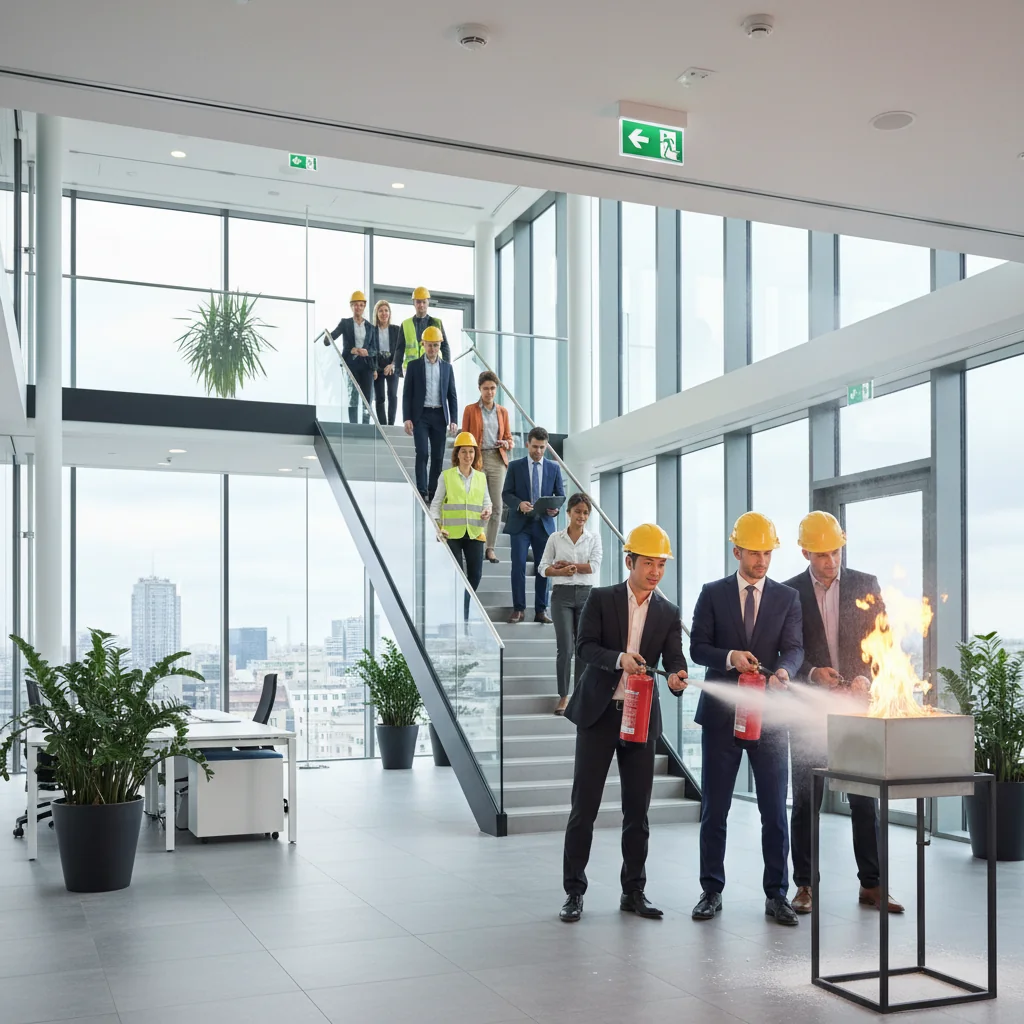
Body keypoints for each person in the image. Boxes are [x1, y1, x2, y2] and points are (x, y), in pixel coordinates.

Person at [559, 524, 688, 924]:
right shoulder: (600, 599)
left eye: (661, 564)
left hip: (641, 718)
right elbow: (584, 648)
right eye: (648, 562)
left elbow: (674, 659)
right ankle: (574, 892)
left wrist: (677, 677)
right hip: (599, 716)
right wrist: (619, 659)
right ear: (629, 561)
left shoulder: (667, 612)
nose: (655, 571)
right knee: (585, 808)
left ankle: (633, 891)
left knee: (638, 811)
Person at [783, 511, 904, 916]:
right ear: (805, 552)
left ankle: (871, 885)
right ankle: (804, 885)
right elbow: (783, 652)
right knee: (805, 801)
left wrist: (867, 680)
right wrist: (813, 673)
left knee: (864, 801)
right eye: (820, 555)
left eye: (834, 552)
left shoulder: (865, 585)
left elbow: (882, 644)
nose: (829, 561)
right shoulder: (788, 593)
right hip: (809, 711)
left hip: (856, 709)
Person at [689, 511, 804, 927]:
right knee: (714, 808)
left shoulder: (787, 598)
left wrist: (787, 671)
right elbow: (698, 648)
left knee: (774, 809)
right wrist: (729, 658)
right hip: (722, 718)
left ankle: (776, 894)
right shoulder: (712, 593)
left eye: (767, 552)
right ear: (736, 550)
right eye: (754, 552)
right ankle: (711, 890)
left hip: (769, 717)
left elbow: (794, 648)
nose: (761, 560)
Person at [539, 493, 603, 715]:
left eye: (585, 512)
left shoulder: (593, 538)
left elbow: (593, 566)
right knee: (565, 648)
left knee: (582, 648)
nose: (582, 516)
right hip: (561, 596)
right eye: (578, 511)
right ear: (568, 513)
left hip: (586, 595)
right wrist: (561, 570)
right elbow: (543, 568)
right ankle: (563, 697)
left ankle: (579, 695)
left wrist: (571, 565)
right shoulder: (555, 538)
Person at [502, 426, 564, 624]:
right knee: (518, 565)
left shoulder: (554, 468)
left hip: (543, 525)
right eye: (535, 446)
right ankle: (518, 609)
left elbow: (559, 496)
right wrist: (519, 504)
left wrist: (555, 510)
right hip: (520, 524)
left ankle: (541, 610)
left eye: (542, 448)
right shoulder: (514, 466)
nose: (538, 451)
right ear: (528, 444)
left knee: (543, 567)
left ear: (546, 447)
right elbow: (506, 494)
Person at [431, 432, 492, 621]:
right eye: (464, 452)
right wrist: (438, 528)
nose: (468, 456)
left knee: (475, 576)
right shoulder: (446, 476)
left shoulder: (481, 477)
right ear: (457, 454)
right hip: (452, 534)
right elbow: (435, 505)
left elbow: (487, 502)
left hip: (474, 532)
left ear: (475, 454)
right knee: (458, 577)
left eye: (471, 452)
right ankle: (461, 616)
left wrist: (487, 511)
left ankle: (462, 606)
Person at [461, 371, 513, 563]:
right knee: (478, 504)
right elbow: (464, 438)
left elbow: (509, 438)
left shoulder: (503, 412)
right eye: (486, 388)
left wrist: (507, 443)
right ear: (479, 389)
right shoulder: (470, 410)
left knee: (496, 506)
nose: (489, 392)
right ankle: (477, 543)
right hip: (478, 458)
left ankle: (490, 548)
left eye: (492, 388)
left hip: (497, 459)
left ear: (496, 389)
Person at [402, 326, 458, 502]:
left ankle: (433, 491)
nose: (432, 349)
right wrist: (407, 418)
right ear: (423, 345)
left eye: (435, 345)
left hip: (440, 416)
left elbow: (452, 395)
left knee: (438, 456)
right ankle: (421, 489)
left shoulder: (447, 368)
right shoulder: (413, 366)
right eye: (429, 345)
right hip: (421, 416)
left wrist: (454, 420)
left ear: (440, 345)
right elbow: (407, 394)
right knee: (423, 453)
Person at [330, 290, 378, 424]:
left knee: (367, 398)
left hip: (366, 365)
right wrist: (350, 350)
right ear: (351, 306)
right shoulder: (345, 323)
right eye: (355, 305)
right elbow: (332, 337)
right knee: (353, 397)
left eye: (361, 305)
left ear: (364, 307)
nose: (358, 307)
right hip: (351, 364)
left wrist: (367, 352)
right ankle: (353, 425)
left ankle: (365, 426)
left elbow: (374, 349)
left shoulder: (370, 327)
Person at [397, 286, 451, 372]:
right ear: (414, 303)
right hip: (411, 368)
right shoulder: (405, 324)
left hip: (433, 366)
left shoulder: (437, 323)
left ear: (428, 303)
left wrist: (447, 367)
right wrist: (397, 369)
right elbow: (400, 349)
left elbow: (445, 347)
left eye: (424, 302)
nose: (421, 305)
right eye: (418, 302)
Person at [372, 298, 401, 426]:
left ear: (389, 313)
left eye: (386, 311)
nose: (384, 313)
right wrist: (373, 367)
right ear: (376, 314)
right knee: (380, 397)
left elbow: (400, 350)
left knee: (392, 395)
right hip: (377, 365)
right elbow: (370, 350)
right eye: (381, 311)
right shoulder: (371, 330)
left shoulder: (396, 329)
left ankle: (391, 424)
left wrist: (393, 364)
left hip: (391, 364)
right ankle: (383, 425)